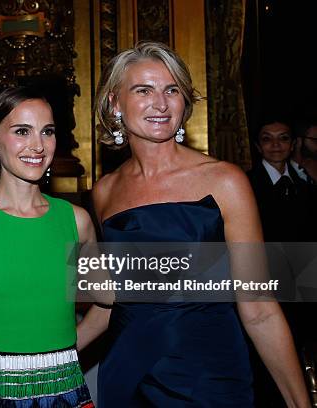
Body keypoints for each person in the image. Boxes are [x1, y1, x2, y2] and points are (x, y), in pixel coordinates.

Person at [80, 41, 309, 407]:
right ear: (114, 103)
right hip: (127, 374)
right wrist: (56, 352)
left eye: (172, 90)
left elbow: (260, 307)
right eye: (144, 90)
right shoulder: (104, 191)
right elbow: (117, 295)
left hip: (208, 377)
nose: (161, 102)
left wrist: (300, 403)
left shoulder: (224, 181)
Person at [0, 86, 96, 407]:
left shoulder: (77, 220)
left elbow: (107, 302)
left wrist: (64, 352)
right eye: (22, 131)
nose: (38, 146)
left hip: (67, 388)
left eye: (47, 132)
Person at [246, 119, 313, 242]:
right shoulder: (245, 185)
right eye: (267, 139)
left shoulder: (304, 184)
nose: (275, 144)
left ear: (293, 145)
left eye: (283, 138)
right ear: (258, 146)